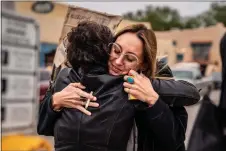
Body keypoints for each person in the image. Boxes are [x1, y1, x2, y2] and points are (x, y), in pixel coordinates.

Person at [38, 22, 200, 151]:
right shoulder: (82, 74)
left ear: (143, 64)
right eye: (116, 50)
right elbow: (45, 128)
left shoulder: (157, 86)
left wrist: (153, 101)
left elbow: (173, 142)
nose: (117, 61)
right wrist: (55, 102)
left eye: (129, 59)